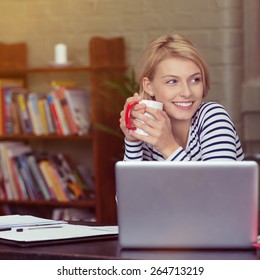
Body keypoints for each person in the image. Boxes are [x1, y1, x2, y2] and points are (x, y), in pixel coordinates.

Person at [119, 33, 244, 161]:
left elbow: (218, 181)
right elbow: (135, 181)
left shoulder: (213, 117)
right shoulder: (149, 129)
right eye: (172, 81)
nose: (187, 92)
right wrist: (133, 140)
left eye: (195, 80)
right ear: (149, 86)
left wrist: (167, 146)